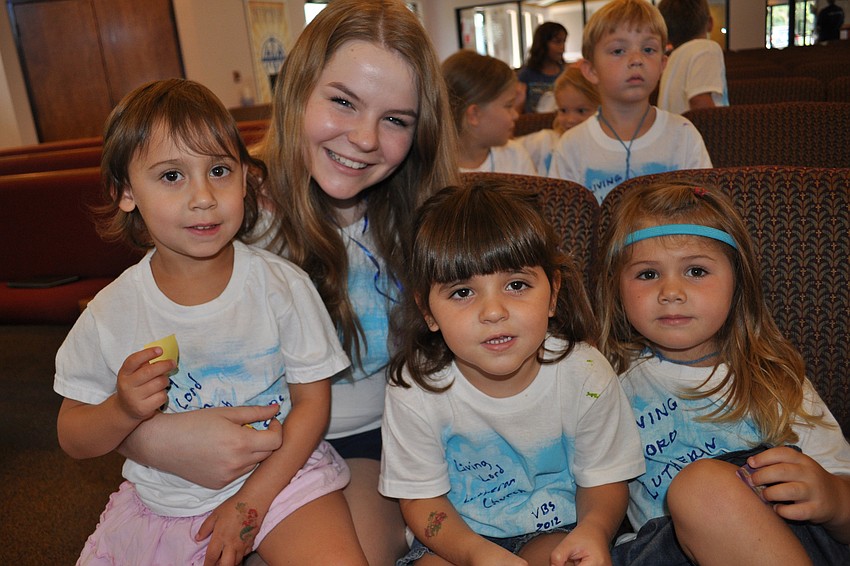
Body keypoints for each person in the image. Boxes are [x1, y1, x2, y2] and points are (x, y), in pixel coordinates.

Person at [115, 2, 460, 565]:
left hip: (376, 440)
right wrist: (149, 439)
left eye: (396, 119)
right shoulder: (222, 208)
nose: (365, 138)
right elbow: (126, 366)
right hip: (246, 443)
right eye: (343, 102)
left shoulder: (430, 215)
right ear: (299, 89)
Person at [54, 78, 368, 565]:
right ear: (125, 193)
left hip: (284, 481)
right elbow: (72, 434)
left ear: (245, 178)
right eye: (172, 176)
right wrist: (121, 409)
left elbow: (311, 405)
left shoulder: (279, 285)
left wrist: (251, 501)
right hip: (165, 502)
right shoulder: (110, 312)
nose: (203, 196)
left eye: (219, 170)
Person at [380, 180, 645, 565]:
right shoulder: (415, 387)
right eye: (462, 293)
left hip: (557, 529)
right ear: (427, 312)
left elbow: (604, 478)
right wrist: (474, 554)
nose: (493, 312)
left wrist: (595, 529)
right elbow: (423, 500)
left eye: (516, 285)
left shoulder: (585, 373)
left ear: (553, 293)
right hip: (457, 537)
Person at [594, 181, 850, 565]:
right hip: (667, 550)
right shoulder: (603, 380)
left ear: (738, 282)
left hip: (790, 537)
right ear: (617, 289)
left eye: (696, 270)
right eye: (647, 274)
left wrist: (834, 499)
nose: (671, 291)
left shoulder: (773, 377)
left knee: (702, 487)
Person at [549, 0, 712, 204]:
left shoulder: (684, 135)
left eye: (648, 49)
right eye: (618, 51)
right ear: (591, 71)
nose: (637, 59)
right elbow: (564, 223)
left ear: (662, 64)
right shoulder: (571, 146)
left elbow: (703, 212)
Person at [443, 49, 537, 175]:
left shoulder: (516, 156)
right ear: (474, 115)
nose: (515, 115)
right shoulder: (429, 171)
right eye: (508, 106)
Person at [517, 65, 600, 176]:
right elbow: (507, 151)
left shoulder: (604, 150)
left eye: (581, 111)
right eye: (563, 110)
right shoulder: (545, 141)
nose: (570, 120)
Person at [657, 0, 729, 115]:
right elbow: (700, 102)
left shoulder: (670, 61)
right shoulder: (706, 49)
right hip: (699, 132)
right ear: (710, 23)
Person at [516, 22, 568, 114]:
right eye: (557, 42)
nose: (562, 48)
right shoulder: (526, 75)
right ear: (542, 44)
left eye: (564, 42)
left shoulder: (566, 74)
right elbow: (518, 107)